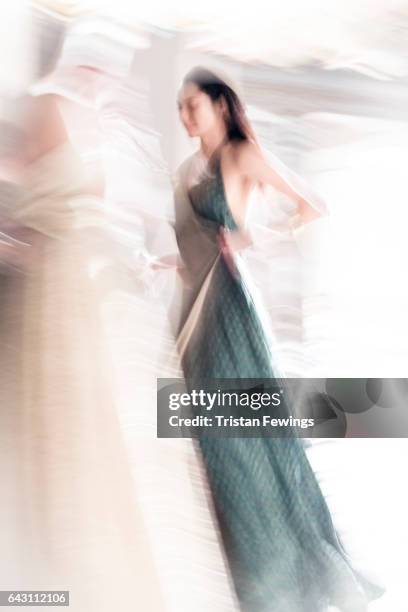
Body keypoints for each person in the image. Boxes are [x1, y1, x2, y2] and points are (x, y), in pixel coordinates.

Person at [171, 66, 385, 612]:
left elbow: (312, 204)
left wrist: (256, 236)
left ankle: (282, 587)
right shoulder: (188, 169)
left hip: (234, 318)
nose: (185, 114)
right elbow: (191, 247)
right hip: (197, 322)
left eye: (193, 103)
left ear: (220, 105)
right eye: (180, 106)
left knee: (251, 449)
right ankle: (244, 583)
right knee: (218, 447)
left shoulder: (241, 156)